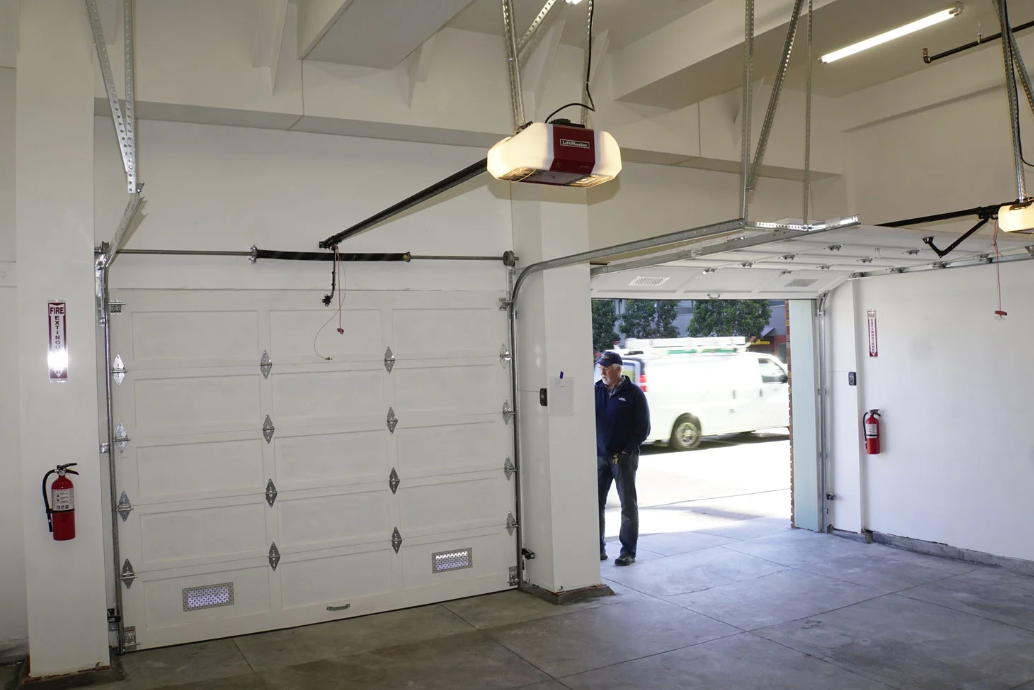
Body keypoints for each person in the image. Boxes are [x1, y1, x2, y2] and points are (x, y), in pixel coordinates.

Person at [595, 351, 650, 566]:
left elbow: (643, 428)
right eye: (601, 367)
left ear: (618, 369)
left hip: (624, 459)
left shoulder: (634, 393)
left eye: (606, 368)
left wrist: (627, 451)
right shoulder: (597, 390)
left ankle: (628, 551)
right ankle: (598, 548)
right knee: (595, 505)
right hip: (600, 456)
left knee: (627, 505)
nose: (602, 371)